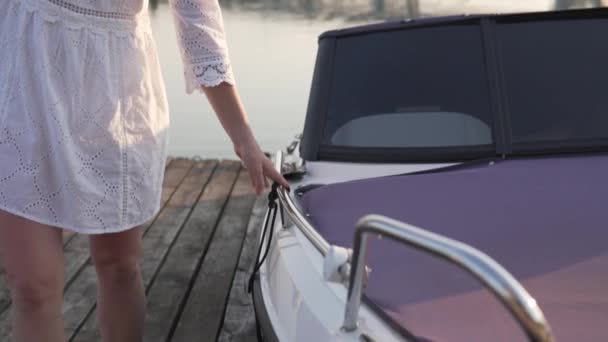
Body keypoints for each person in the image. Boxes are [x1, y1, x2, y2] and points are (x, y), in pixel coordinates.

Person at [0, 0, 289, 341]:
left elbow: (199, 22)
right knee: (34, 286)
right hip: (22, 83)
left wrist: (242, 135)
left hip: (117, 98)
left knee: (118, 264)